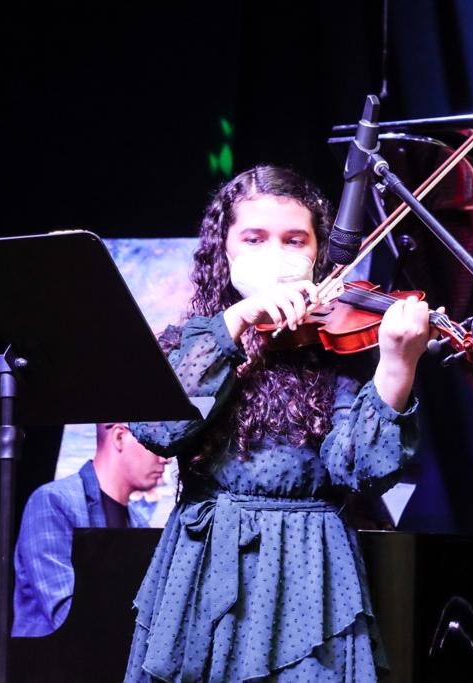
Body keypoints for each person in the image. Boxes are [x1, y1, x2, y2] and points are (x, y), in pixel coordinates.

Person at [125, 165, 428, 681]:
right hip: (203, 564)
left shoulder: (336, 351)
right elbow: (159, 429)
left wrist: (397, 368)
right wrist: (237, 322)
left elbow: (359, 472)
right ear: (223, 248)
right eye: (254, 238)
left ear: (317, 251)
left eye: (294, 240)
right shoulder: (190, 343)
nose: (275, 253)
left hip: (309, 570)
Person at [12, 422, 169, 637]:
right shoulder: (53, 502)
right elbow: (65, 613)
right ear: (120, 437)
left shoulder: (140, 522)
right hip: (52, 666)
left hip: (111, 663)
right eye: (156, 443)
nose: (166, 458)